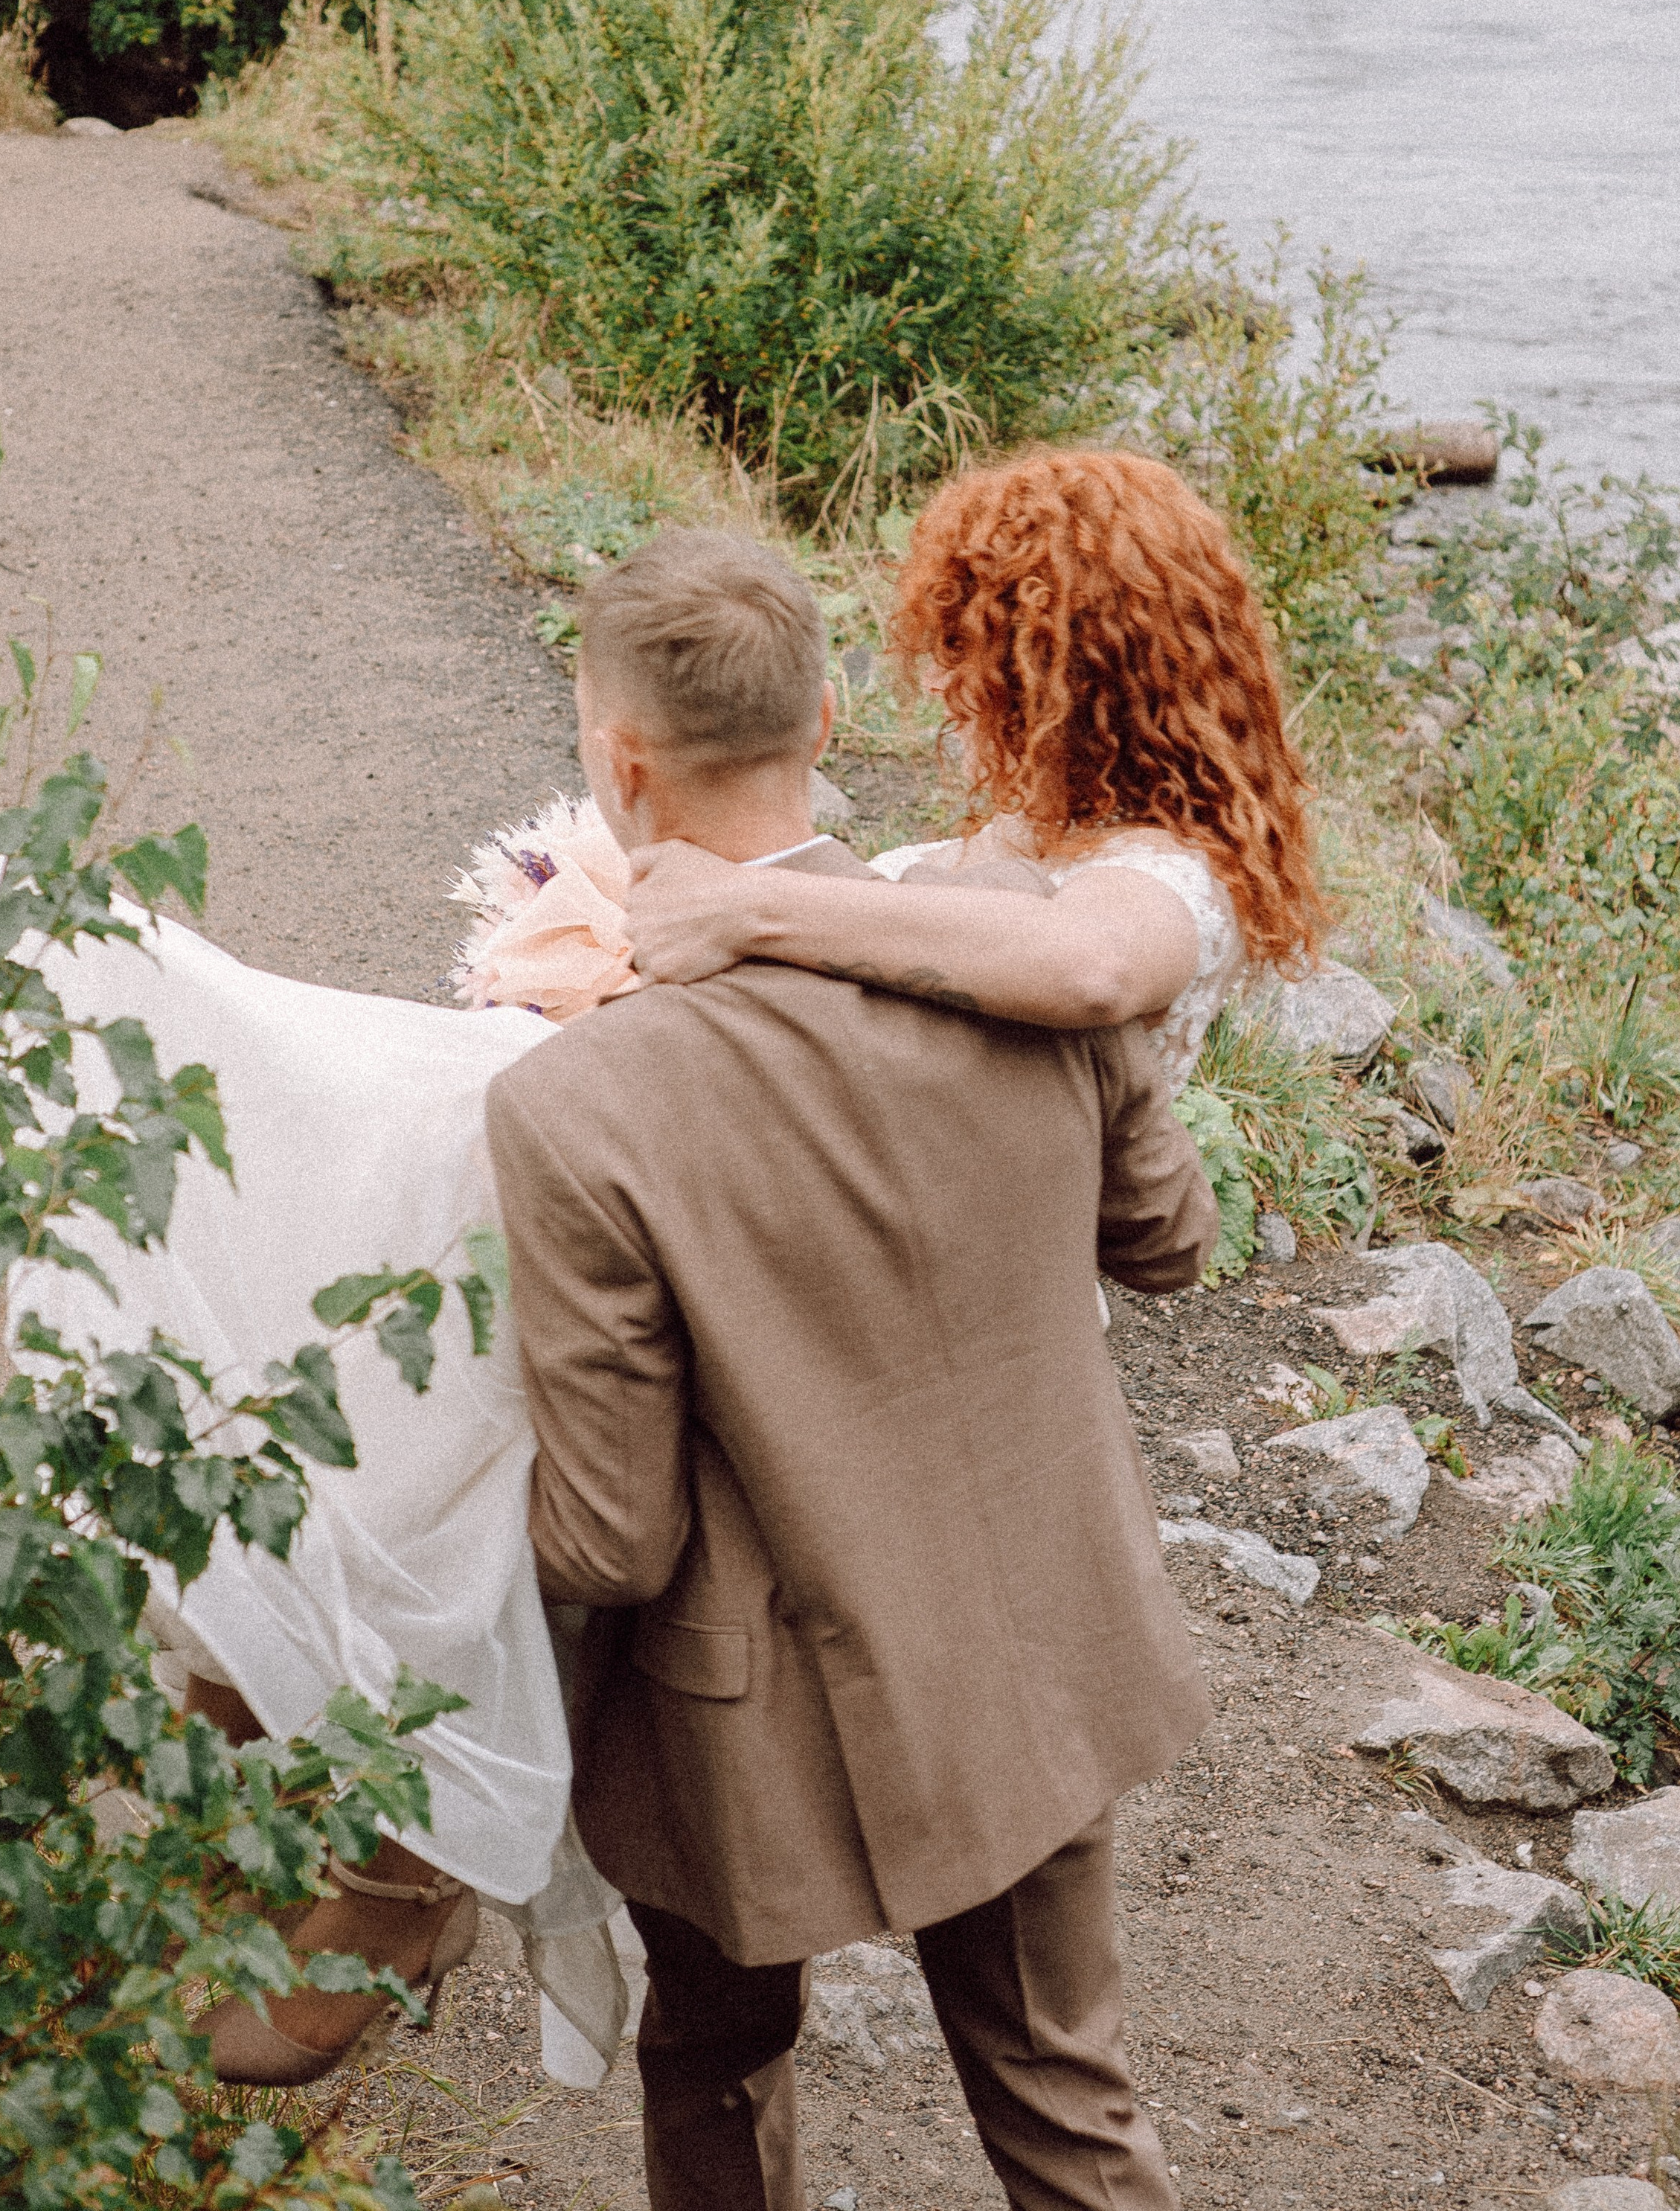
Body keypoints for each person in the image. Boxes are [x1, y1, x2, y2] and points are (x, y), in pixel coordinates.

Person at [487, 527, 1222, 2211]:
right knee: (1062, 2096)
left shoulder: (574, 1102)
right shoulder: (1006, 925)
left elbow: (612, 1539)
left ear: (616, 761)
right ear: (827, 711)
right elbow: (1163, 1238)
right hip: (1026, 1642)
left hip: (744, 1722)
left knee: (716, 2065)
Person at [622, 446, 1329, 1087]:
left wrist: (747, 906)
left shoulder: (1174, 875)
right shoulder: (1042, 828)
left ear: (1068, 681)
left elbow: (1093, 969)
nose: (937, 684)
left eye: (965, 651)